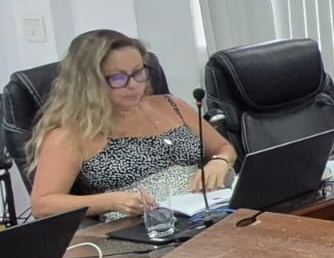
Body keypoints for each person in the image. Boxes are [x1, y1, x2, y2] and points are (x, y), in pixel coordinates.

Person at [27, 29, 237, 219]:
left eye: (138, 72)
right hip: (139, 228)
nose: (134, 85)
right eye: (118, 78)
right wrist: (109, 202)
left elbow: (224, 148)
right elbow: (43, 204)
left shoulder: (171, 105)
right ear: (89, 83)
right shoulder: (70, 134)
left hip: (207, 213)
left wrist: (219, 161)